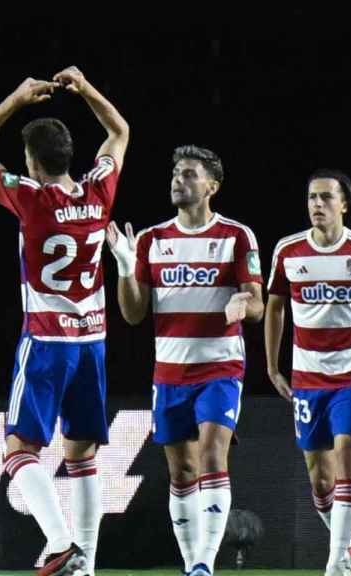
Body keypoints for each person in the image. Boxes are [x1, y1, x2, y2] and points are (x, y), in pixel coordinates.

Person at [0, 67, 130, 576]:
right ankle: (87, 566)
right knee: (81, 456)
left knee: (18, 449)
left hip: (47, 340)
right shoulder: (98, 194)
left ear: (31, 162)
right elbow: (119, 132)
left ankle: (58, 542)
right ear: (71, 155)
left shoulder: (30, 200)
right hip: (92, 339)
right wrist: (88, 87)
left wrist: (14, 99)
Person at [106, 145, 264, 576]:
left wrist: (242, 304)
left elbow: (258, 305)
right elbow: (134, 313)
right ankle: (192, 558)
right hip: (169, 372)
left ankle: (202, 563)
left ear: (212, 186)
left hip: (220, 368)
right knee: (181, 472)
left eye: (190, 174)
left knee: (213, 456)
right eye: (176, 173)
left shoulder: (236, 236)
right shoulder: (152, 241)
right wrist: (123, 266)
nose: (179, 180)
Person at [265, 169, 351, 576]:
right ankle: (350, 551)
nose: (318, 204)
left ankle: (335, 565)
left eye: (326, 197)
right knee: (320, 479)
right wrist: (271, 366)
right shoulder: (289, 250)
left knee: (348, 455)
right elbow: (276, 306)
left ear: (344, 204)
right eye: (312, 197)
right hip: (307, 377)